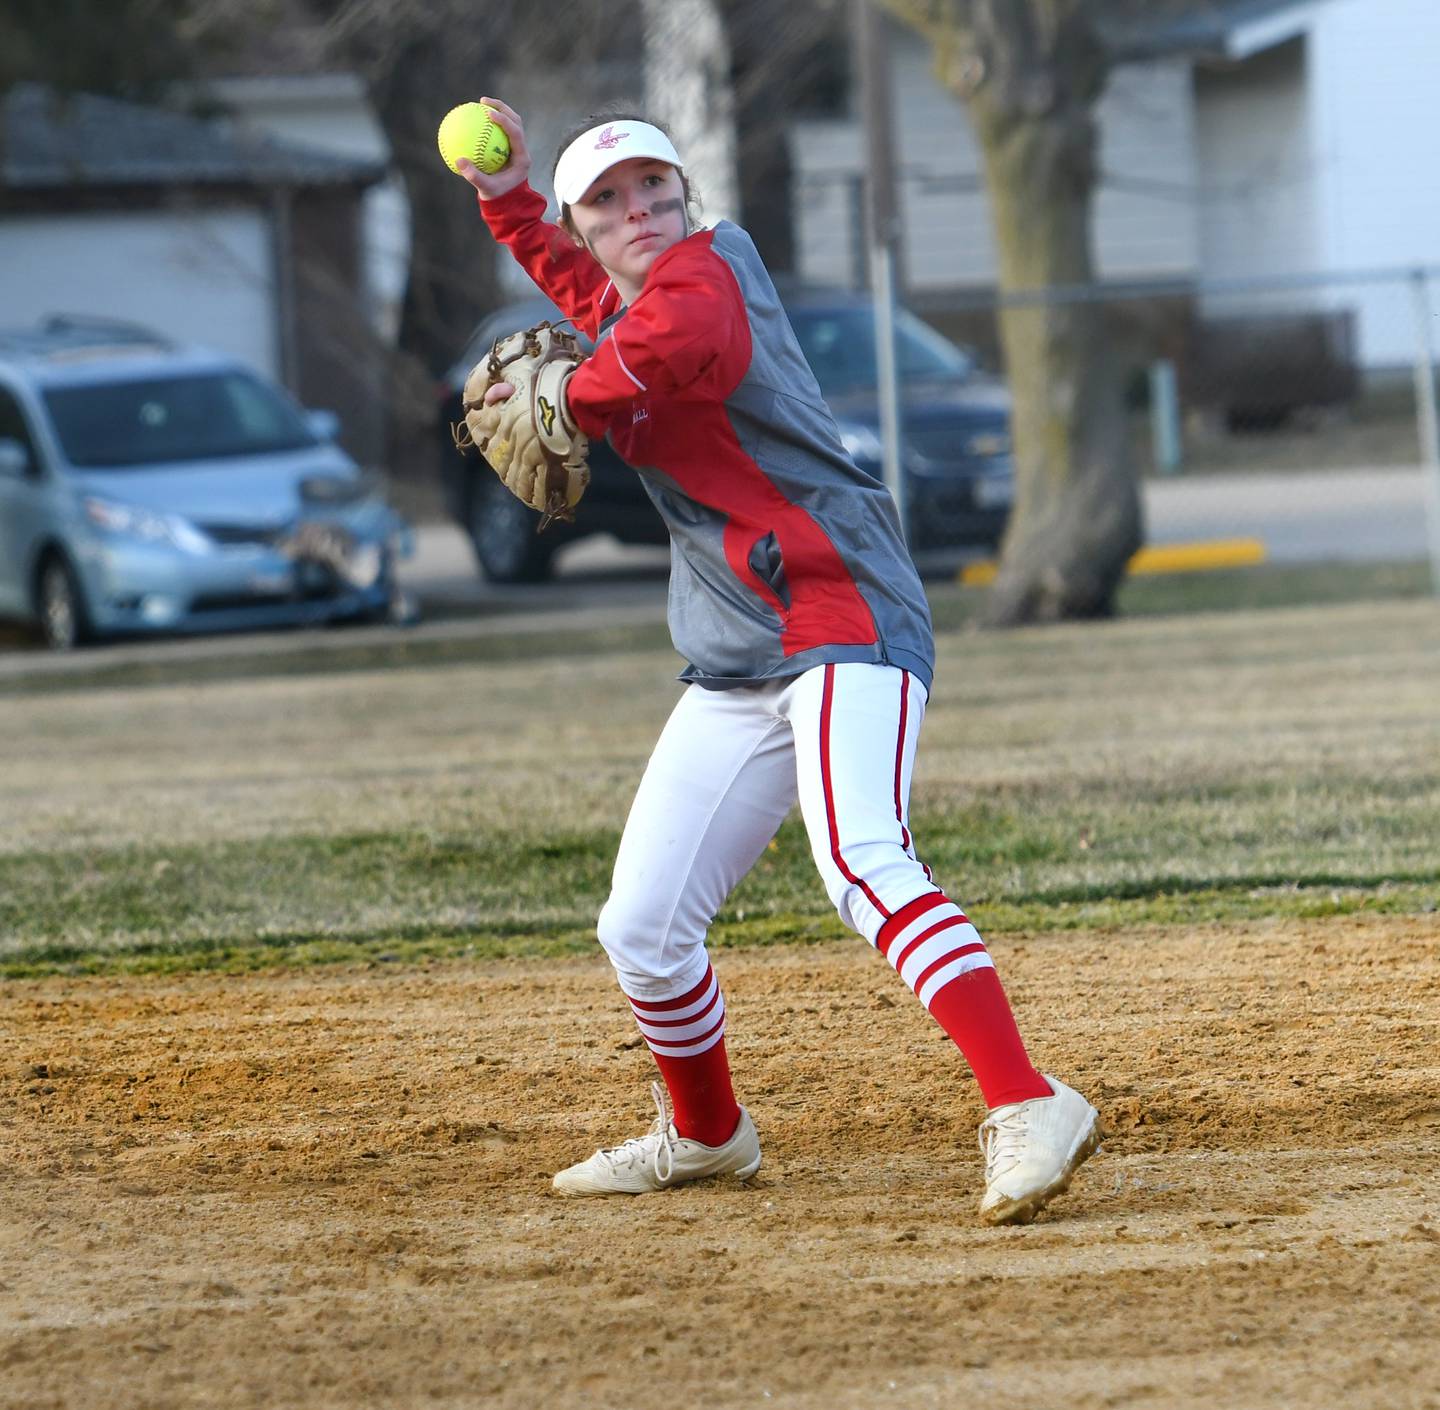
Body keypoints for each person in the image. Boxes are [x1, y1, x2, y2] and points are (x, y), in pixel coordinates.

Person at [454, 98, 1101, 1224]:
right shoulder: (621, 290)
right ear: (589, 223)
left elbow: (639, 363)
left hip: (841, 604)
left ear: (682, 194)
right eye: (607, 200)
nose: (637, 208)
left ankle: (1031, 1099)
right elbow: (573, 284)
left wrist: (560, 392)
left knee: (860, 859)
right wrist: (505, 197)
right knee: (642, 929)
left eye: (652, 184)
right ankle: (707, 1135)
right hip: (740, 645)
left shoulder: (709, 276)